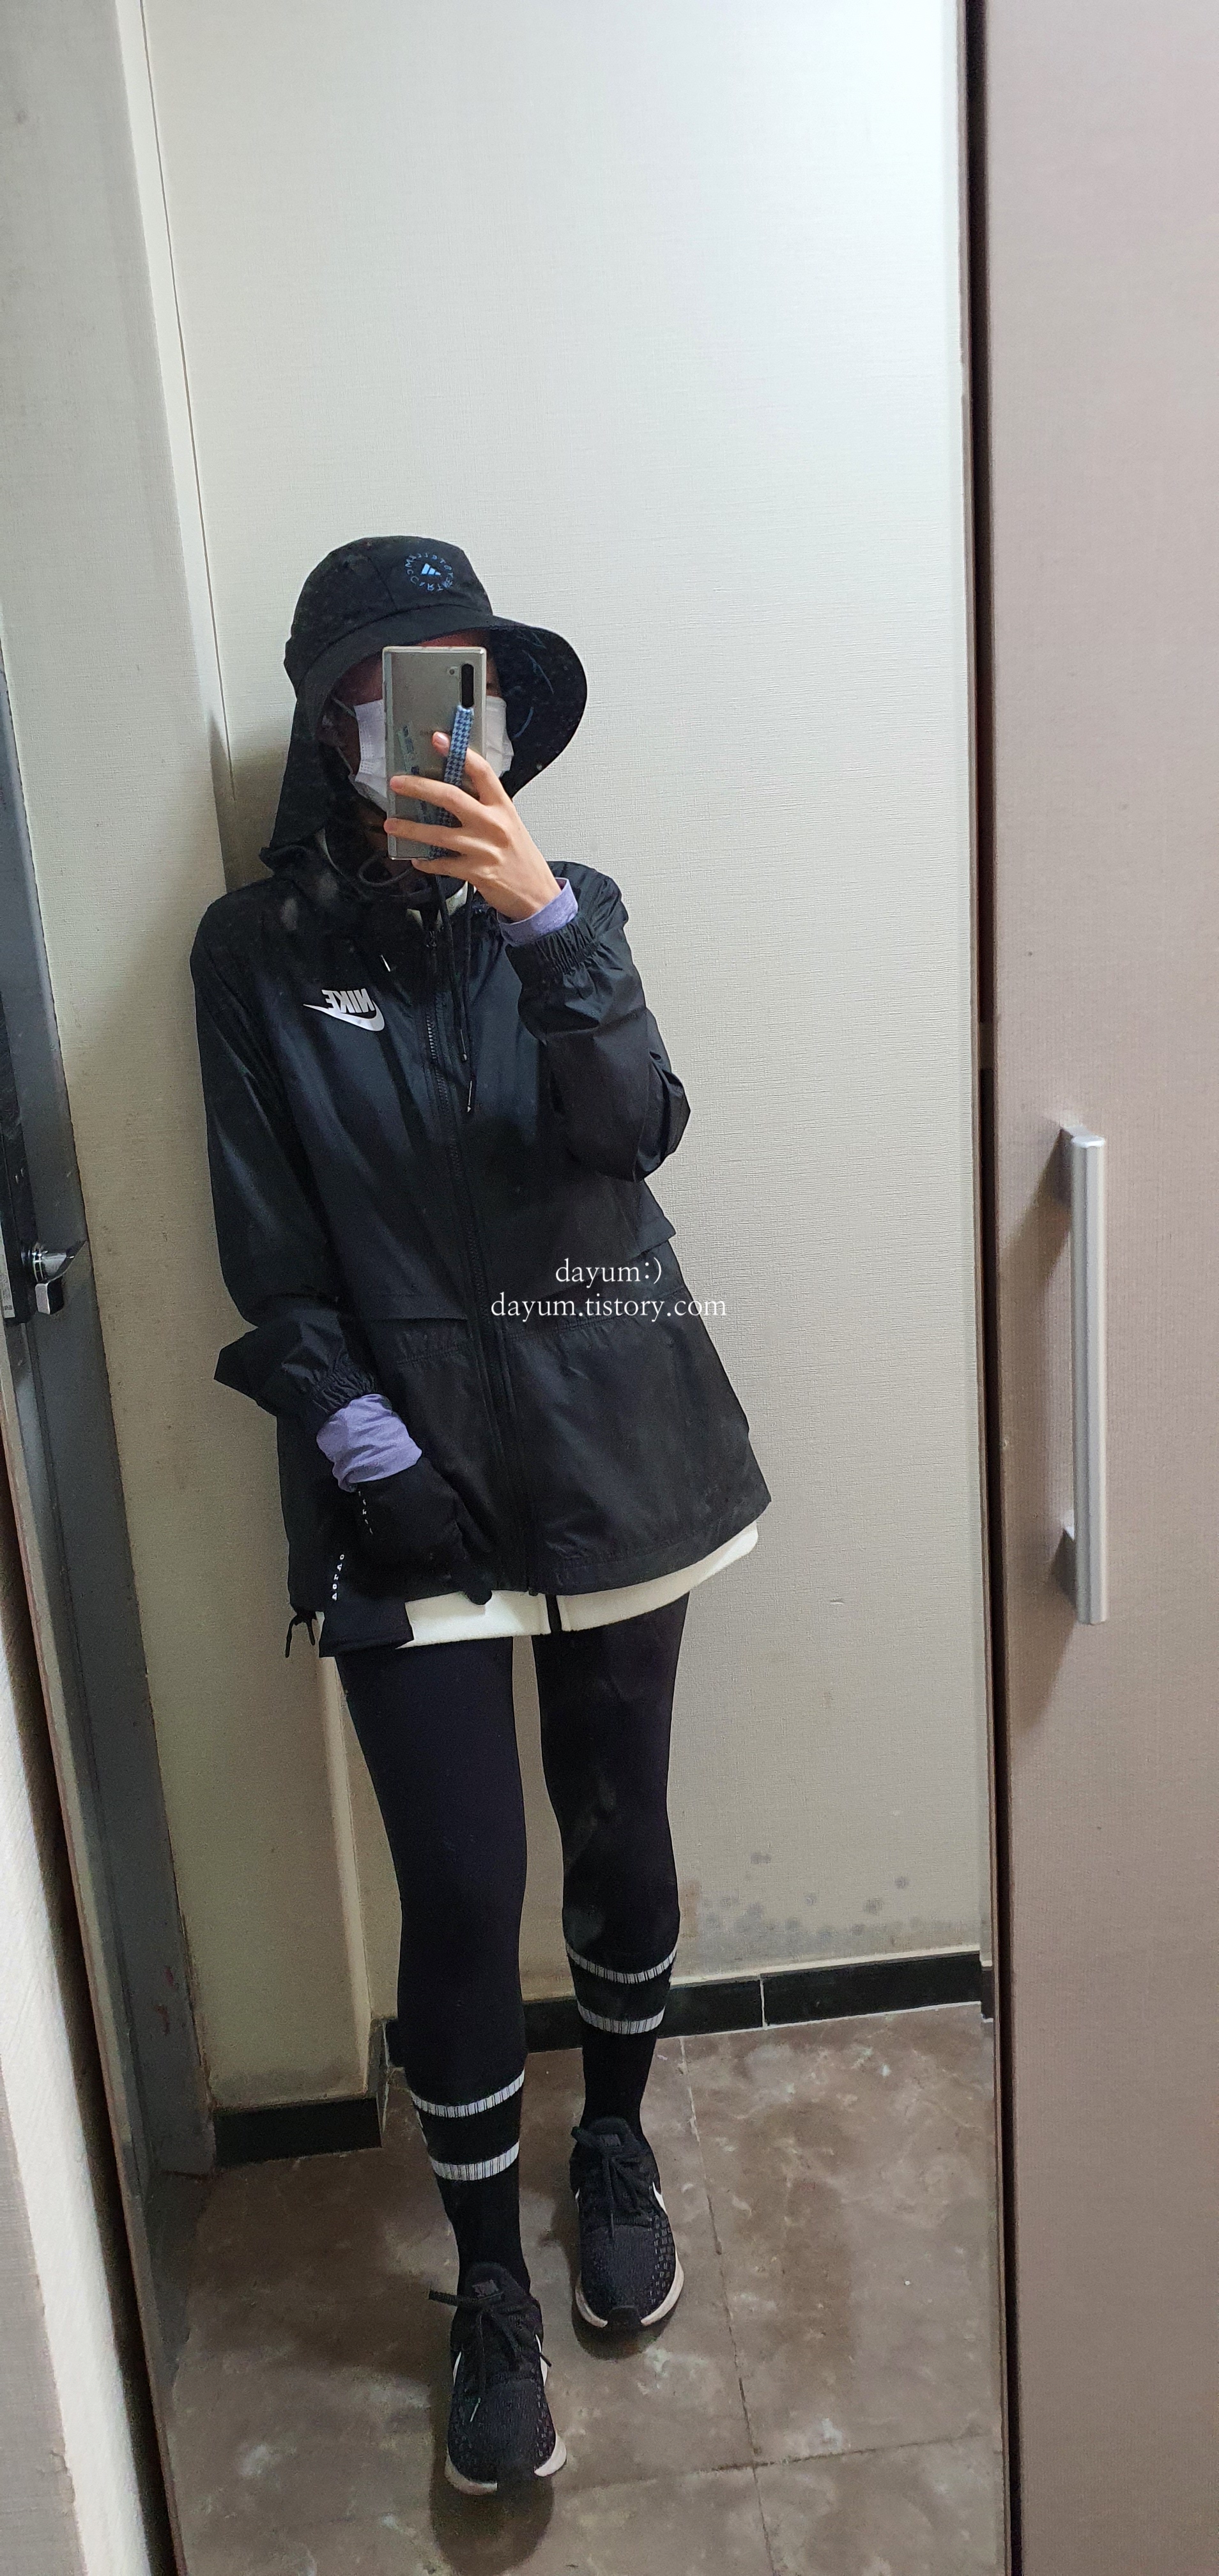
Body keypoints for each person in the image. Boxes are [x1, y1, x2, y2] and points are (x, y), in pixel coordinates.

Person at [190, 537, 770, 2497]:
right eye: (389, 684)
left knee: (619, 1829)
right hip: (405, 1487)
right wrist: (373, 1457)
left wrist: (543, 924)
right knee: (456, 1888)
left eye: (465, 682)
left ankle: (612, 2143)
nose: (436, 718)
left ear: (500, 717)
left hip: (616, 1448)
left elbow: (632, 1131)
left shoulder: (571, 902)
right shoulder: (251, 958)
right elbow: (274, 1270)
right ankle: (486, 2280)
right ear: (329, 722)